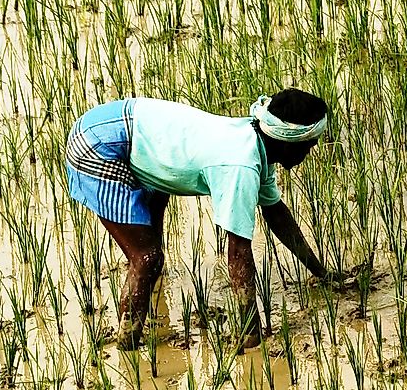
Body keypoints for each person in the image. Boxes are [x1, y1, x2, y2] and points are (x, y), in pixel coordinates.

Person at [65, 89, 350, 351]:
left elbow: (276, 214)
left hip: (122, 124)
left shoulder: (256, 141)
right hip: (99, 145)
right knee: (147, 258)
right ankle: (128, 344)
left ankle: (147, 295)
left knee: (157, 208)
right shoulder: (240, 165)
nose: (310, 152)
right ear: (289, 144)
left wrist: (321, 272)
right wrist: (250, 332)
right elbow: (238, 250)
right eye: (309, 145)